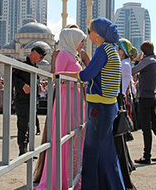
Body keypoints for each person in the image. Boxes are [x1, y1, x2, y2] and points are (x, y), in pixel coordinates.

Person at [57, 17, 125, 190]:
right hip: (108, 105)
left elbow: (86, 75)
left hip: (99, 107)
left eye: (89, 31)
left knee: (92, 150)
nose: (88, 35)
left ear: (98, 34)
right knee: (106, 150)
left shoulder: (103, 50)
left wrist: (63, 74)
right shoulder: (112, 49)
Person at [34, 28, 86, 190]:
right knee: (66, 138)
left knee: (75, 138)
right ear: (72, 39)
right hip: (67, 100)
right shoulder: (64, 55)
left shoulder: (72, 56)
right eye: (81, 40)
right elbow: (59, 79)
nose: (83, 44)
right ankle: (62, 179)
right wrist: (78, 80)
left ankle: (73, 178)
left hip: (75, 100)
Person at [132, 41, 156, 165]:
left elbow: (133, 71)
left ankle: (146, 156)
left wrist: (137, 60)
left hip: (144, 97)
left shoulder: (146, 61)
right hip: (152, 96)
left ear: (143, 51)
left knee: (146, 128)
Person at [12, 46, 46, 156]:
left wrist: (38, 85)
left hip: (33, 100)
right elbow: (11, 77)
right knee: (23, 126)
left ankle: (30, 150)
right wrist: (22, 85)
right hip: (22, 101)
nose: (41, 60)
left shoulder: (35, 67)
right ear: (34, 53)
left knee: (31, 126)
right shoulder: (21, 65)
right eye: (40, 57)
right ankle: (22, 150)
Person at [116, 38, 138, 190]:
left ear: (122, 51)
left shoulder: (123, 64)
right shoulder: (125, 64)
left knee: (118, 136)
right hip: (120, 98)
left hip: (118, 99)